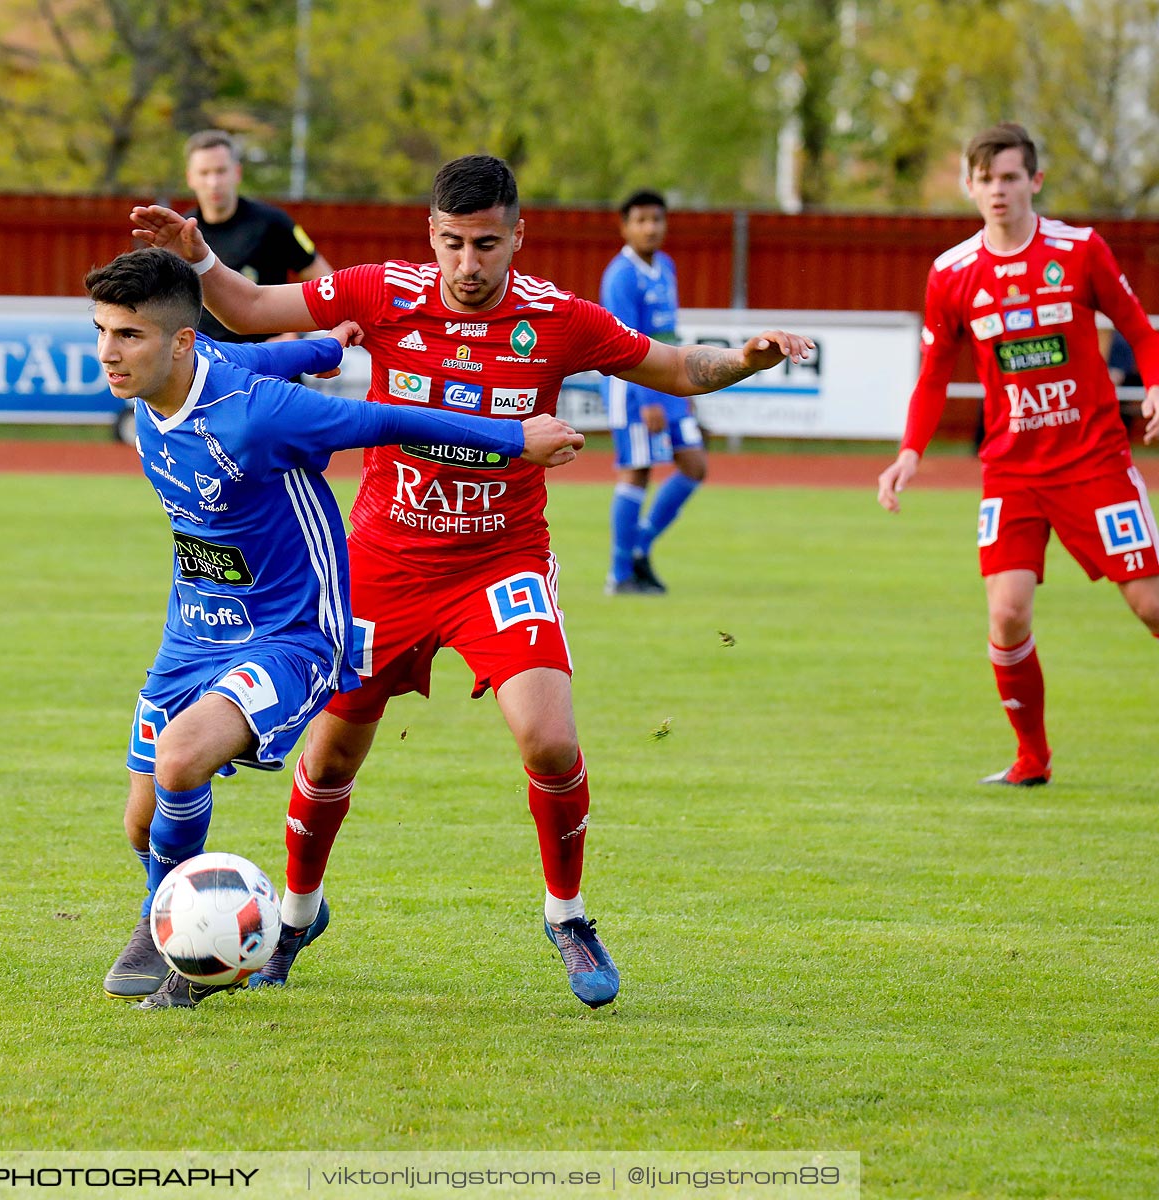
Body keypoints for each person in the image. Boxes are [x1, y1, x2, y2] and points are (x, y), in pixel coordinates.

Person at [130, 155, 814, 1009]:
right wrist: (199, 257)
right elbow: (250, 306)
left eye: (486, 244)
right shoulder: (384, 291)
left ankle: (566, 916)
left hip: (501, 560)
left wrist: (747, 358)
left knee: (550, 740)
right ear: (431, 235)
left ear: (517, 236)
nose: (468, 263)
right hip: (381, 561)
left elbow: (675, 366)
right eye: (453, 243)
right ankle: (297, 917)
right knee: (336, 747)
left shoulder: (557, 318)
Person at [90, 246, 589, 1008]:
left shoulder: (258, 418)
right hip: (191, 634)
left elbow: (383, 417)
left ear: (178, 342)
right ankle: (170, 908)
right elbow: (258, 352)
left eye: (127, 335)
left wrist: (513, 441)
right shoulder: (163, 378)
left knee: (182, 762)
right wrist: (328, 345)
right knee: (141, 822)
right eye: (102, 332)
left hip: (291, 633)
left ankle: (180, 952)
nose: (108, 353)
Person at [877, 122, 1159, 787]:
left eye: (1009, 177)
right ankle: (1032, 757)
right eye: (985, 178)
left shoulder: (1080, 250)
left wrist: (1155, 385)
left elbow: (1138, 328)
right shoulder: (950, 274)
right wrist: (910, 453)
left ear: (1034, 180)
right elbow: (933, 373)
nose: (997, 190)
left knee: (1150, 605)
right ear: (968, 186)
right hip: (1012, 470)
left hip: (1094, 461)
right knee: (1005, 612)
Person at [600, 189, 704, 596]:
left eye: (657, 219)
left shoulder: (666, 266)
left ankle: (638, 548)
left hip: (669, 384)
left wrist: (687, 385)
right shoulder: (621, 275)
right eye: (641, 220)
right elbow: (626, 343)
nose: (650, 227)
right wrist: (648, 399)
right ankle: (619, 574)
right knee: (638, 472)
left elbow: (668, 334)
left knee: (694, 465)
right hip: (634, 387)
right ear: (625, 226)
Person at [181, 129, 333, 345]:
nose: (213, 182)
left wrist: (298, 335)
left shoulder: (272, 223)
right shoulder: (183, 234)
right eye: (204, 173)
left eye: (221, 171)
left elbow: (328, 284)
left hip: (270, 361)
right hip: (209, 364)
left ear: (237, 172)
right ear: (190, 178)